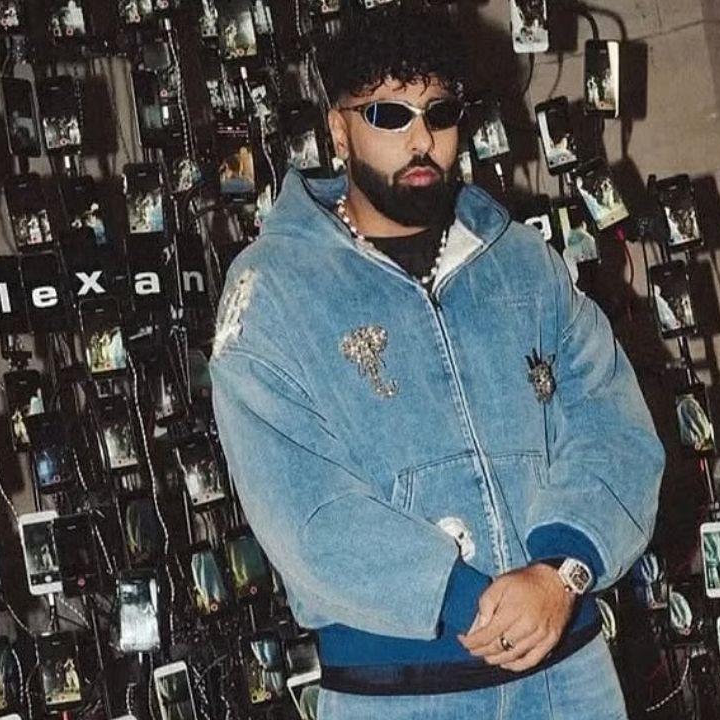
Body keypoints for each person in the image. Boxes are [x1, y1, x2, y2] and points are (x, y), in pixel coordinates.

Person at [210, 8, 663, 718]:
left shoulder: (520, 261)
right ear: (339, 130)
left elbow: (614, 427)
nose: (421, 139)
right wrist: (464, 599)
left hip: (569, 676)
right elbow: (300, 506)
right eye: (389, 115)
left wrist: (562, 570)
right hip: (401, 693)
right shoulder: (275, 289)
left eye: (440, 113)